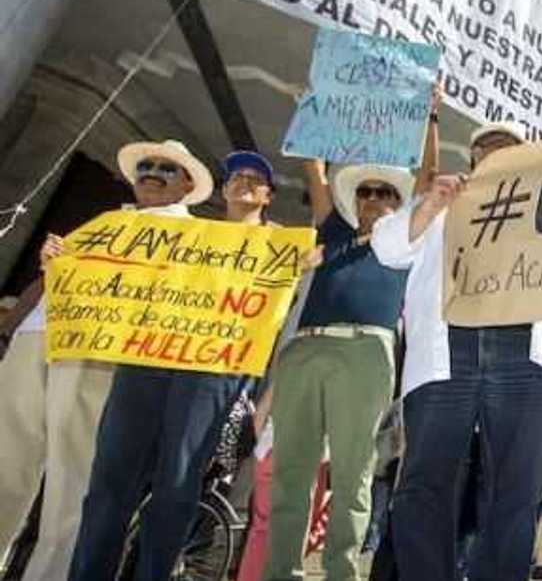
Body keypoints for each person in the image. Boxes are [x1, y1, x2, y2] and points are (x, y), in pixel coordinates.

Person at [0, 139, 212, 581]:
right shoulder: (108, 220)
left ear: (187, 184)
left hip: (97, 350)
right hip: (37, 336)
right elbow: (47, 281)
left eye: (166, 169)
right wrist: (14, 321)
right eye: (146, 166)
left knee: (71, 481)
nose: (151, 172)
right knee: (6, 464)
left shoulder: (193, 238)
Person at [379, 121, 542, 581]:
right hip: (449, 351)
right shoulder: (442, 208)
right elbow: (388, 249)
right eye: (486, 149)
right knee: (424, 481)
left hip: (523, 354)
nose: (496, 156)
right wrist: (429, 203)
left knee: (517, 484)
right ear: (471, 160)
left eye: (508, 149)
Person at [67, 151, 277, 580]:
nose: (244, 183)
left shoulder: (280, 247)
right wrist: (66, 256)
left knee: (177, 485)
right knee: (110, 480)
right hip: (147, 359)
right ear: (222, 189)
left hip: (212, 373)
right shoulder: (188, 233)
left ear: (269, 196)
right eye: (236, 176)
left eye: (255, 179)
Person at [264, 154, 414, 580]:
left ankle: (342, 573)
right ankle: (280, 572)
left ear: (397, 202)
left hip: (365, 351)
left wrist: (432, 117)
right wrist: (314, 115)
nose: (371, 198)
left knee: (353, 474)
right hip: (305, 350)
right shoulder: (333, 229)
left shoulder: (406, 241)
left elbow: (429, 180)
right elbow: (313, 169)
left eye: (383, 192)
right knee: (290, 473)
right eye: (364, 191)